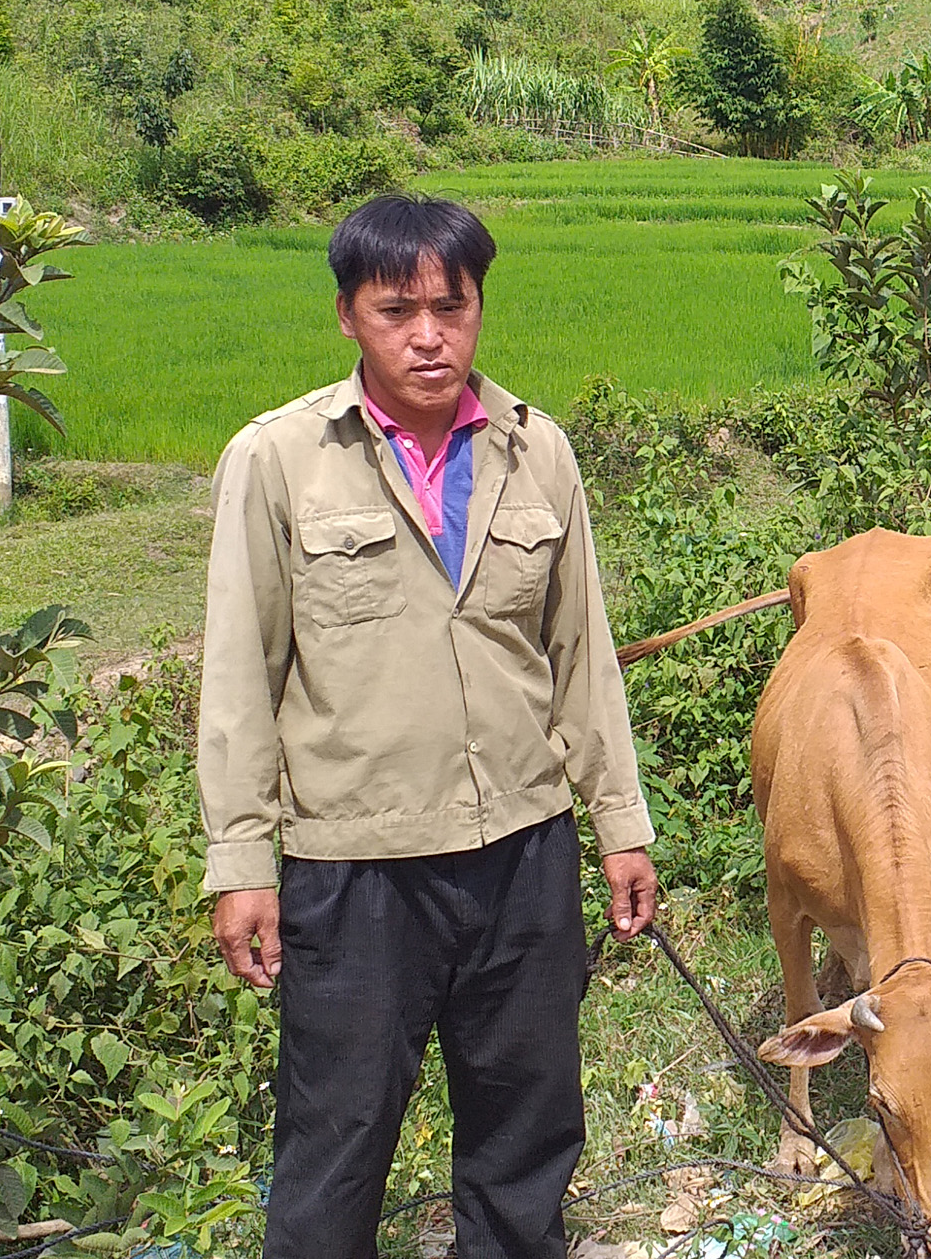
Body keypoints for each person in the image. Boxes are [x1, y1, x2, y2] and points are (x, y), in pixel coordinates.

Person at [197, 193, 658, 1259]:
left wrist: (618, 822)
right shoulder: (279, 461)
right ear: (348, 316)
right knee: (337, 1141)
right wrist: (242, 860)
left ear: (478, 309)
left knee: (526, 1129)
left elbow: (580, 656)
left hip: (523, 850)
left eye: (450, 307)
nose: (428, 335)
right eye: (395, 308)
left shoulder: (536, 452)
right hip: (357, 866)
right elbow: (238, 677)